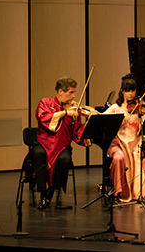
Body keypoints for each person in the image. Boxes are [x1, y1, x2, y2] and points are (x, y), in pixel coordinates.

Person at [32, 77, 95, 209]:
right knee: (38, 154)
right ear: (60, 91)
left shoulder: (74, 109)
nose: (73, 96)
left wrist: (90, 121)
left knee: (65, 160)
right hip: (44, 143)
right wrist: (64, 113)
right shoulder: (45, 102)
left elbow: (77, 132)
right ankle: (42, 194)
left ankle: (51, 191)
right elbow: (43, 118)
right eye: (71, 92)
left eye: (74, 92)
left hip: (62, 146)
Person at [102, 74, 145, 202]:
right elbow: (103, 119)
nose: (130, 94)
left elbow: (143, 130)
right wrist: (117, 122)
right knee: (118, 158)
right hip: (120, 145)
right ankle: (120, 192)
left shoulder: (139, 107)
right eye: (127, 90)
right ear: (122, 91)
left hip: (136, 145)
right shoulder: (116, 108)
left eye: (132, 90)